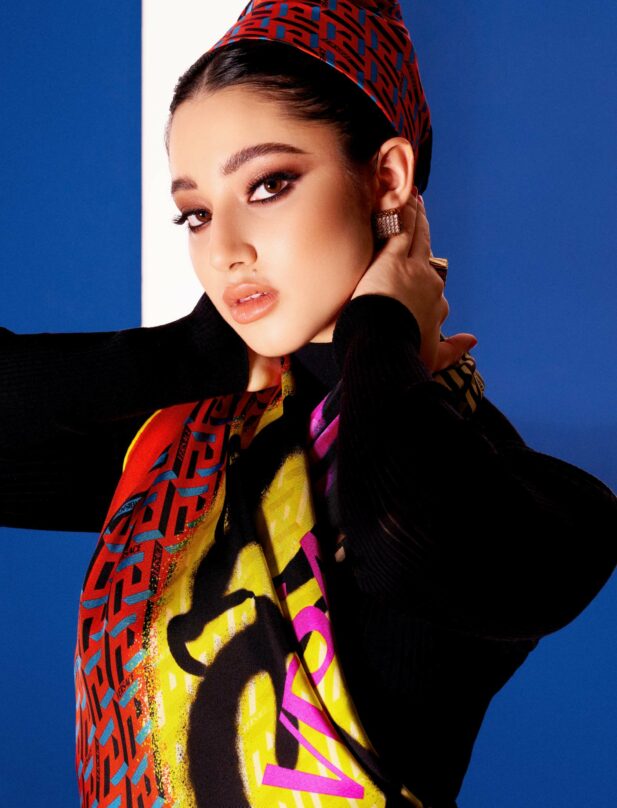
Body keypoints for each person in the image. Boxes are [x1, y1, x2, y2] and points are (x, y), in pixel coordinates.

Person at [1, 2, 615, 806]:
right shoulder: (188, 458)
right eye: (196, 213)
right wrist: (198, 350)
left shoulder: (519, 493)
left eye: (269, 185)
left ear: (386, 179)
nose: (224, 251)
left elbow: (397, 542)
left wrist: (379, 329)